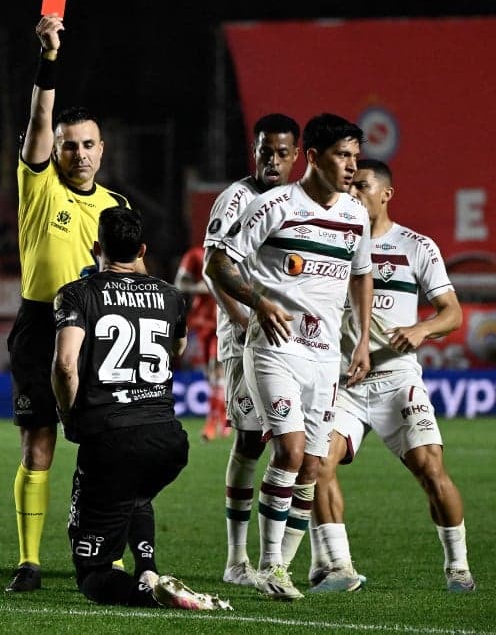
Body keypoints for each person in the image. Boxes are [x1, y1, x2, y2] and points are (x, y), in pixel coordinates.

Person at [204, 113, 373, 600]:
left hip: (327, 358)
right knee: (288, 451)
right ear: (315, 158)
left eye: (355, 158)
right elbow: (218, 262)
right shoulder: (273, 205)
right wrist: (258, 303)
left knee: (314, 468)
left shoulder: (354, 213)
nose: (350, 167)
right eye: (343, 156)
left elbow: (361, 273)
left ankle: (285, 569)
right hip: (273, 348)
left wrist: (361, 340)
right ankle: (267, 565)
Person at [6, 13, 139, 593]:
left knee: (110, 446)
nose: (79, 154)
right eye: (69, 146)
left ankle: (103, 553)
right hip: (42, 326)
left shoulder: (117, 203)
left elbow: (137, 272)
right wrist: (49, 58)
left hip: (102, 332)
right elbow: (38, 117)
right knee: (40, 444)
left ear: (102, 149)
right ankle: (29, 562)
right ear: (54, 150)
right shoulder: (39, 186)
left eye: (87, 145)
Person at [307, 159, 475, 594]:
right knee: (318, 462)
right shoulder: (332, 241)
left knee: (430, 468)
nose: (353, 193)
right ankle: (339, 567)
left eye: (362, 186)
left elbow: (452, 313)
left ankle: (458, 567)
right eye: (350, 186)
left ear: (386, 194)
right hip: (345, 384)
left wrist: (421, 329)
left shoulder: (417, 246)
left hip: (398, 381)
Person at [50, 207, 231, 611]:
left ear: (96, 247)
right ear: (143, 249)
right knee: (135, 493)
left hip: (112, 439)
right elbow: (178, 349)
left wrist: (70, 417)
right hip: (167, 441)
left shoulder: (78, 293)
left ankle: (149, 595)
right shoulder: (171, 296)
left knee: (92, 571)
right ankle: (148, 568)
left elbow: (64, 365)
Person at [201, 113, 302, 586]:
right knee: (248, 439)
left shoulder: (297, 202)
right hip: (246, 338)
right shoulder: (237, 198)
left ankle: (303, 557)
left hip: (295, 342)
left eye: (282, 153)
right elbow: (211, 267)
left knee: (298, 446)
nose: (273, 161)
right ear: (254, 150)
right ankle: (237, 560)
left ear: (297, 155)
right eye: (266, 151)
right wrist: (243, 322)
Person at [174, 244, 228, 442]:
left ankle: (211, 422)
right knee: (210, 374)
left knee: (218, 369)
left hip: (225, 320)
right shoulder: (196, 254)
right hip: (202, 321)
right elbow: (180, 283)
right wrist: (203, 287)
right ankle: (222, 416)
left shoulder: (235, 252)